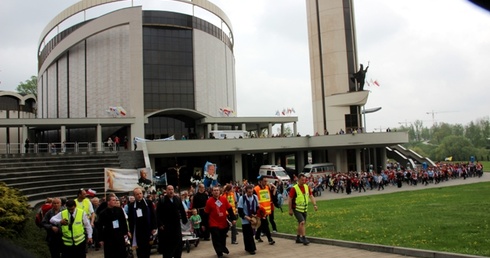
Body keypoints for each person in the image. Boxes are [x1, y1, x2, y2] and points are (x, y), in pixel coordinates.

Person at [204, 186, 237, 258]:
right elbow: (206, 213)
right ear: (212, 192)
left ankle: (222, 248)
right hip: (213, 223)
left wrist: (233, 219)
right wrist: (204, 224)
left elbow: (230, 209)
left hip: (223, 222)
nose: (216, 192)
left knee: (222, 237)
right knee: (216, 237)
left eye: (217, 190)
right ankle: (219, 252)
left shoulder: (223, 199)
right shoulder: (209, 201)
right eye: (214, 190)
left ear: (220, 191)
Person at [156, 185, 188, 258]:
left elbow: (182, 210)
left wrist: (184, 219)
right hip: (166, 226)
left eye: (172, 189)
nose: (171, 191)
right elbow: (158, 213)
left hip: (176, 225)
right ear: (166, 191)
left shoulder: (177, 199)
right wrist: (160, 224)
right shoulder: (162, 200)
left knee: (178, 244)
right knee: (168, 247)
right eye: (169, 189)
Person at [288, 173, 318, 245]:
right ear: (298, 180)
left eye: (304, 180)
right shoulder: (294, 188)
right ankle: (304, 238)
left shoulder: (306, 187)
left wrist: (314, 205)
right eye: (302, 180)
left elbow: (311, 196)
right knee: (302, 222)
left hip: (304, 209)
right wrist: (290, 209)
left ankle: (298, 237)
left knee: (300, 223)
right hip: (297, 209)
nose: (303, 181)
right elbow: (290, 199)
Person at [127, 188, 157, 258]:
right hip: (138, 231)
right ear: (134, 195)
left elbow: (153, 215)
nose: (139, 195)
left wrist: (154, 227)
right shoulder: (131, 206)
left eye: (140, 193)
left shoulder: (148, 203)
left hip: (148, 230)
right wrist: (130, 231)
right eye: (137, 194)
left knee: (147, 250)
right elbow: (130, 219)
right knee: (140, 251)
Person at [237, 185, 260, 255]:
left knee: (251, 233)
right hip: (245, 219)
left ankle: (249, 247)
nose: (250, 193)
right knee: (247, 234)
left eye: (251, 192)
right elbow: (240, 210)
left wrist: (256, 214)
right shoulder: (242, 198)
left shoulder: (255, 197)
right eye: (249, 192)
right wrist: (246, 217)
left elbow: (257, 207)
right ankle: (251, 248)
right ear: (246, 192)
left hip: (253, 219)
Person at [253, 176, 275, 245]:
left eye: (266, 181)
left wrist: (274, 189)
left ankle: (257, 236)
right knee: (266, 224)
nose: (266, 182)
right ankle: (270, 239)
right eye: (265, 181)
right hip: (261, 211)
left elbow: (271, 198)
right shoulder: (256, 189)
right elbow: (254, 201)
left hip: (267, 210)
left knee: (261, 224)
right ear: (260, 181)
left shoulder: (267, 188)